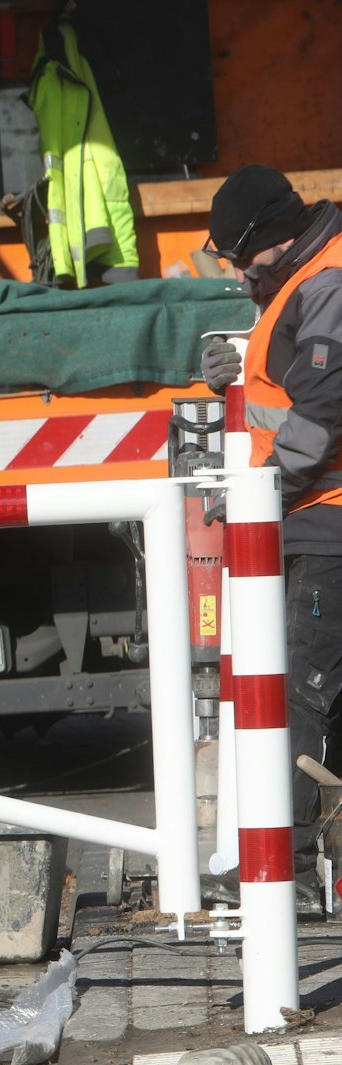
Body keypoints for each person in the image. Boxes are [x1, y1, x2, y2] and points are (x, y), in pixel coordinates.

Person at [200, 164, 342, 893]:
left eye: (237, 255)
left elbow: (318, 423)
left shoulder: (327, 281)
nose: (235, 270)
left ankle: (283, 868)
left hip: (326, 520)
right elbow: (283, 393)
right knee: (315, 691)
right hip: (310, 517)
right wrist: (232, 374)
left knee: (305, 693)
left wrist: (258, 493)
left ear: (271, 238)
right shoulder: (304, 276)